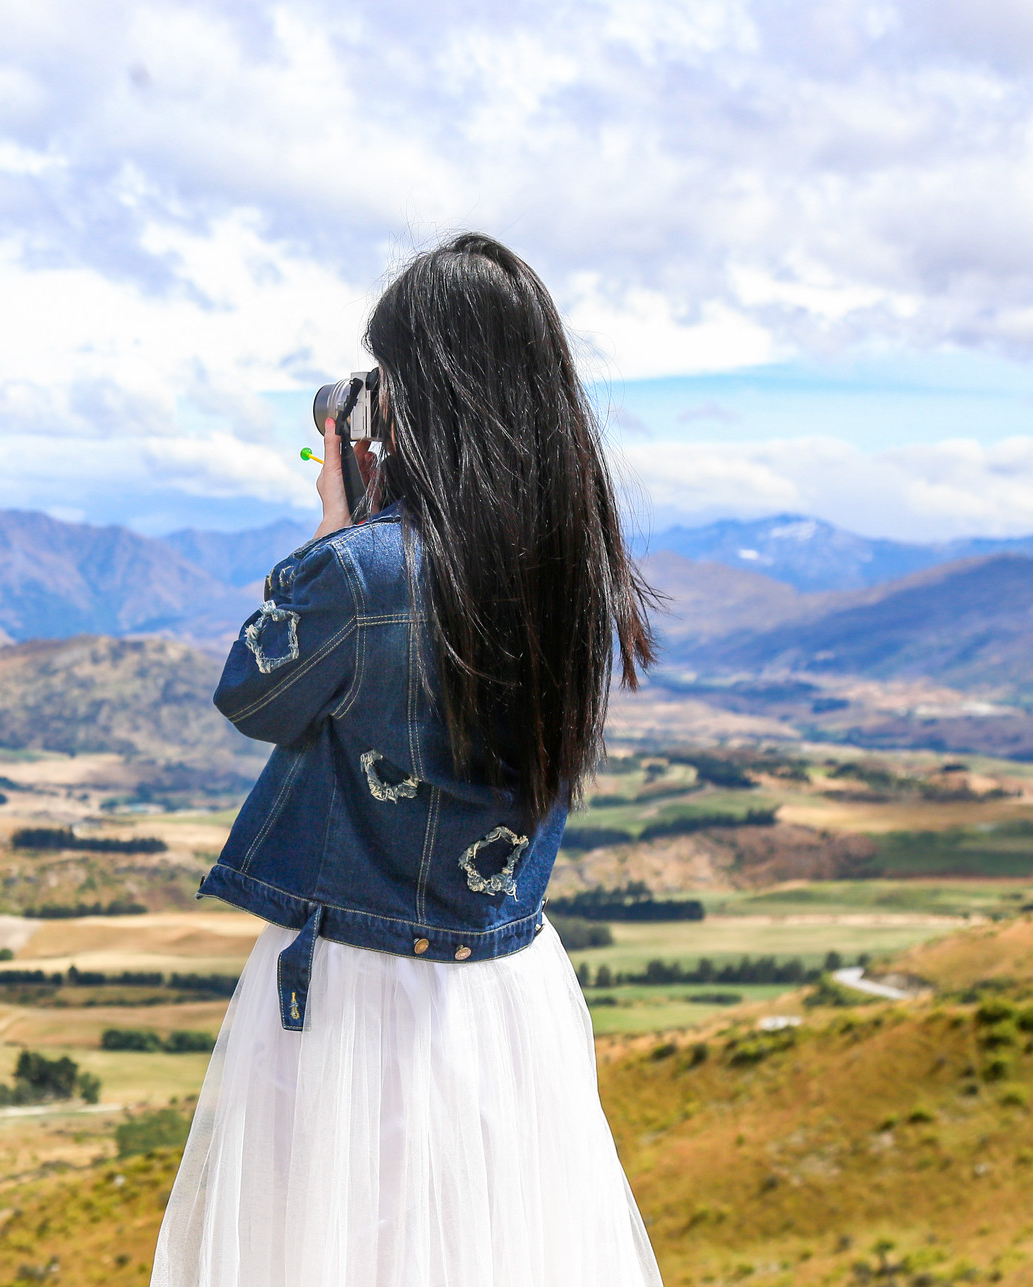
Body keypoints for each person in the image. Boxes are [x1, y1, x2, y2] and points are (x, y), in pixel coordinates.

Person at [152, 233, 663, 1287]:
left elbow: (251, 692)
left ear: (423, 394)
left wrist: (334, 526)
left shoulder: (365, 571)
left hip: (352, 993)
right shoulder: (576, 572)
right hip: (506, 990)